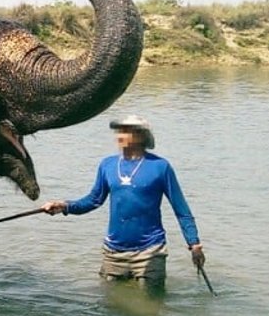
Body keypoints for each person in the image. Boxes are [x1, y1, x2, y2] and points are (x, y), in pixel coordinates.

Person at [41, 115, 205, 288]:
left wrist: (194, 244)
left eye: (126, 131)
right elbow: (93, 200)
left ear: (141, 136)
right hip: (113, 253)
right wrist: (64, 206)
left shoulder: (160, 167)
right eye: (119, 131)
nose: (120, 135)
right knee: (111, 308)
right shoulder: (107, 165)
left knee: (152, 309)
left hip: (150, 252)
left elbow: (182, 210)